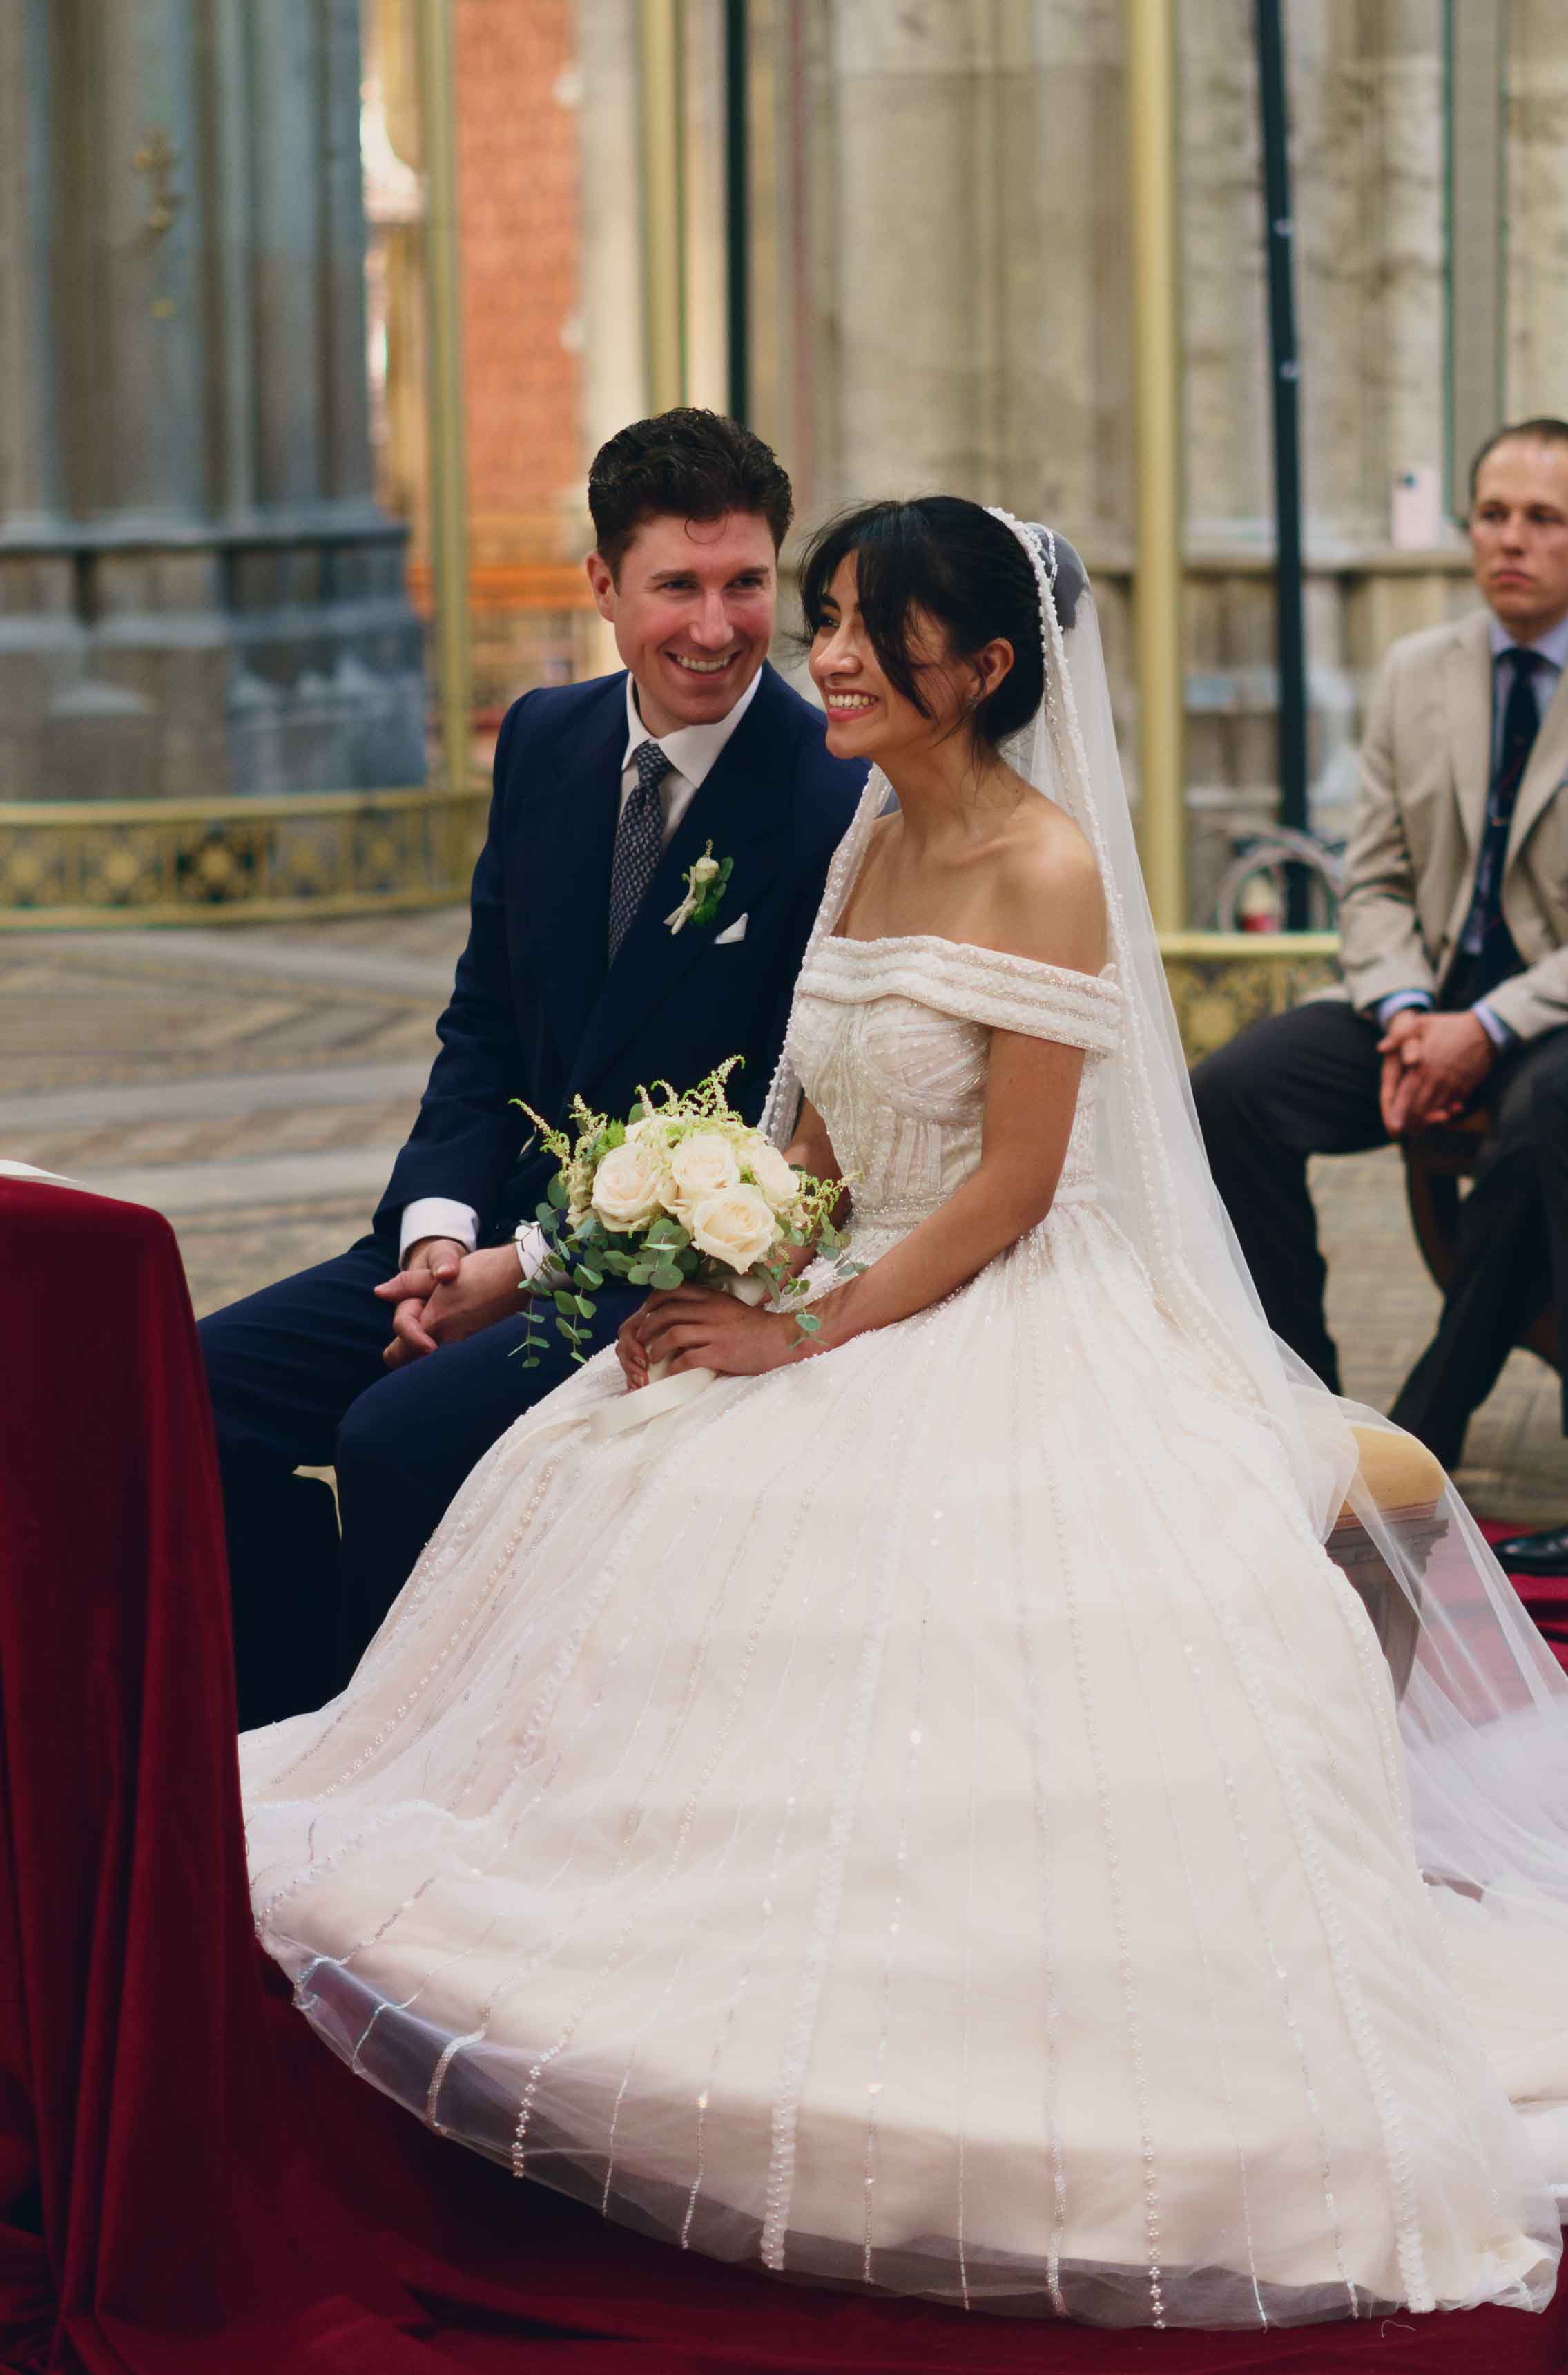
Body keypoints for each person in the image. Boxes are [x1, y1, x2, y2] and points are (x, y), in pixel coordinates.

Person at [242, 497, 1568, 2330]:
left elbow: (1009, 1192)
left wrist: (816, 1336)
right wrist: (731, 1255)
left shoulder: (1046, 870)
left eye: (865, 628)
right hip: (848, 1269)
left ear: (986, 667)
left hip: (1009, 1303)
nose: (828, 658)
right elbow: (809, 1129)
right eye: (829, 620)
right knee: (604, 1461)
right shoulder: (869, 840)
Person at [199, 410, 864, 1729]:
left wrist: (527, 1272)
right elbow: (482, 1027)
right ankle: (288, 1731)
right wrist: (442, 1233)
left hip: (660, 1265)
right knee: (194, 1391)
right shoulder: (549, 740)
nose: (719, 628)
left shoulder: (828, 797)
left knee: (391, 1443)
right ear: (603, 587)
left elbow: (766, 1134)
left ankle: (397, 1763)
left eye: (746, 584)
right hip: (474, 1224)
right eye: (678, 585)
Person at [1193, 419, 1568, 1568]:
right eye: (1493, 514)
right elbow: (1372, 882)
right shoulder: (1419, 672)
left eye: (1543, 519)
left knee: (1542, 1120)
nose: (1510, 540)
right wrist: (1410, 1016)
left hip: (1550, 1023)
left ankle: (1425, 1434)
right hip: (1424, 1001)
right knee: (1233, 1090)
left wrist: (1487, 1027)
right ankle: (1308, 1407)